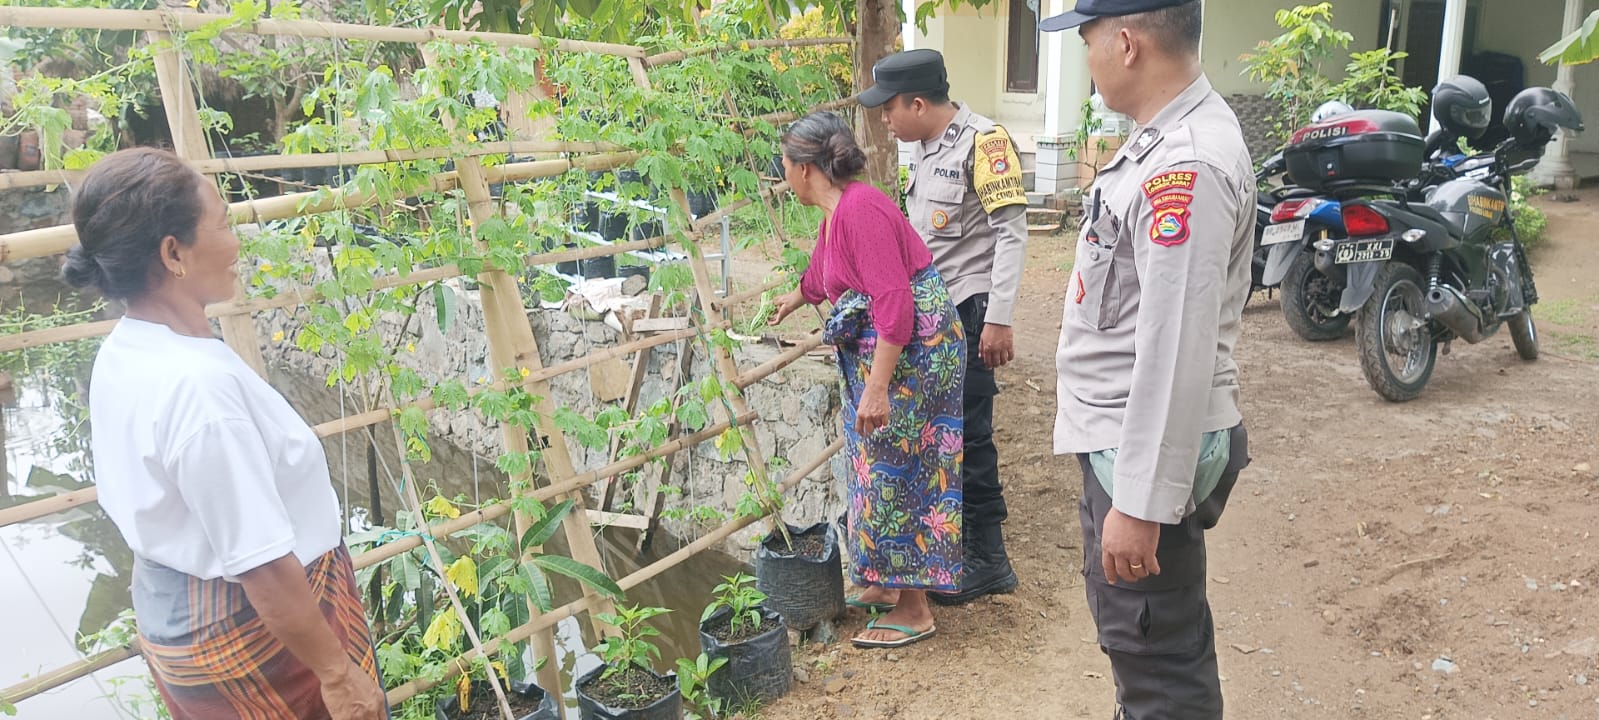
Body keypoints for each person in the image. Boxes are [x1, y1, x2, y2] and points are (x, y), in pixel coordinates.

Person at [62, 147, 388, 720]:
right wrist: (337, 675)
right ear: (173, 253)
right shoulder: (198, 390)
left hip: (179, 611)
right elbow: (260, 562)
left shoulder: (126, 349)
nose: (237, 242)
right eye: (223, 223)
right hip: (263, 630)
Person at [1042, 1, 1254, 718]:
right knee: (1145, 646)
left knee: (1157, 661)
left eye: (1088, 41)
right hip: (1124, 438)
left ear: (1126, 43)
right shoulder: (1160, 143)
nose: (1088, 57)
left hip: (1139, 449)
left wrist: (1139, 502)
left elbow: (1173, 348)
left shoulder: (1184, 164)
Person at [768, 112, 966, 649]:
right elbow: (824, 270)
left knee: (902, 466)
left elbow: (895, 302)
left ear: (806, 169)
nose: (782, 173)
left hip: (914, 353)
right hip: (891, 349)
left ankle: (915, 606)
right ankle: (885, 579)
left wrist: (878, 387)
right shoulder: (837, 212)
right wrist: (798, 297)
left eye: (784, 163)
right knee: (874, 462)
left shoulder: (862, 211)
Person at [858, 48, 1028, 605]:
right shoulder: (924, 151)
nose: (884, 119)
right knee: (944, 433)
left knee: (973, 435)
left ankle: (989, 557)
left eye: (888, 109)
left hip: (972, 311)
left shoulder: (986, 144)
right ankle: (957, 550)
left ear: (916, 102)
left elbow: (1011, 233)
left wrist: (999, 319)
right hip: (936, 316)